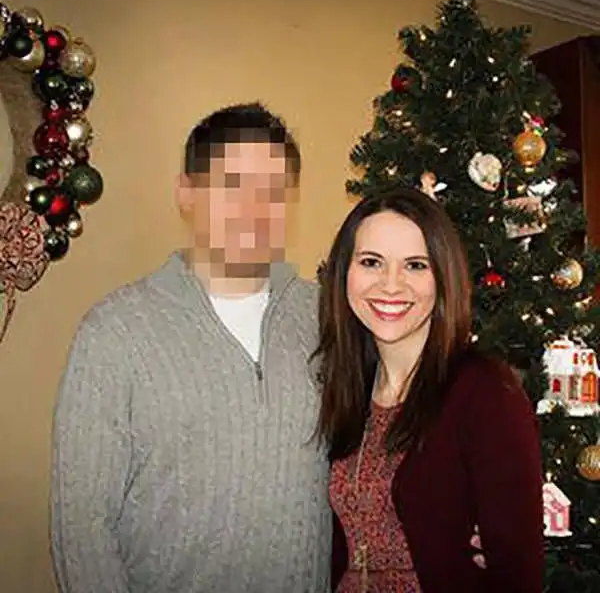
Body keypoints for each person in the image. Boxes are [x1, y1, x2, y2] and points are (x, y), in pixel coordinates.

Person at [50, 102, 332, 593]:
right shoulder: (114, 333)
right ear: (187, 193)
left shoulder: (326, 318)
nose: (254, 210)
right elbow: (82, 531)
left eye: (272, 191)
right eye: (233, 186)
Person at [313, 188, 544, 593]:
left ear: (442, 277)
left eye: (415, 265)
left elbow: (518, 571)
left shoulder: (486, 392)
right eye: (371, 262)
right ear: (344, 273)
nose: (390, 285)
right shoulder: (345, 386)